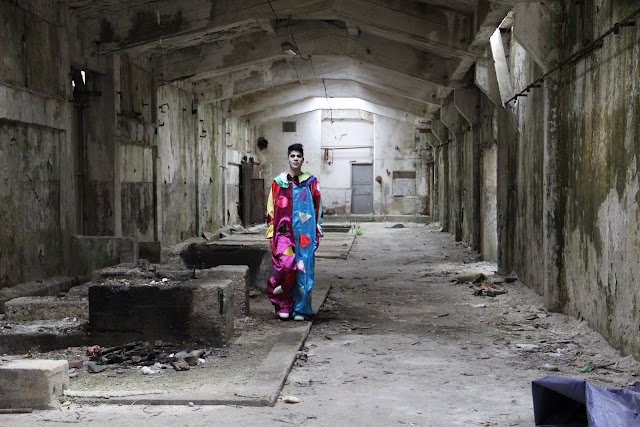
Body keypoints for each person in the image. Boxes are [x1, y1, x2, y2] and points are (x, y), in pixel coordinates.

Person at [266, 143, 322, 321]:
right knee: (285, 265)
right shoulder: (278, 182)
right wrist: (271, 229)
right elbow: (271, 206)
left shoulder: (311, 182)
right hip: (283, 231)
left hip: (305, 232)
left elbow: (318, 206)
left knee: (304, 269)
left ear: (303, 159)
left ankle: (301, 309)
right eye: (292, 156)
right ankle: (283, 303)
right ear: (288, 158)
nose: (295, 159)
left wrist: (317, 228)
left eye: (298, 156)